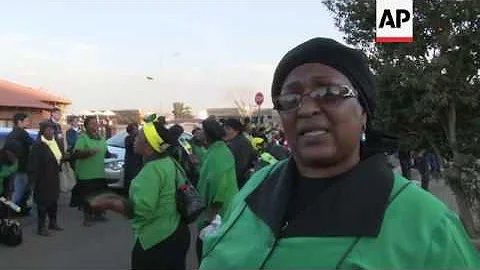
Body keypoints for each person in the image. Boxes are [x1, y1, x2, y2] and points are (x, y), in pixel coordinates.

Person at [200, 38, 480, 269]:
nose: (306, 109)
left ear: (364, 113)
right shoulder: (256, 187)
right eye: (290, 98)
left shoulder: (429, 227)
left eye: (331, 92)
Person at [90, 121, 191, 270]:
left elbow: (141, 209)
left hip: (158, 240)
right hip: (178, 232)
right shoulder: (170, 162)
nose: (134, 140)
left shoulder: (152, 170)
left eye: (138, 137)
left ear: (149, 146)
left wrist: (110, 203)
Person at [196, 117, 238, 261]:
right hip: (215, 215)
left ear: (208, 135)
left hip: (217, 218)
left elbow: (220, 190)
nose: (199, 133)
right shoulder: (216, 150)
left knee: (208, 257)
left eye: (202, 130)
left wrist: (210, 218)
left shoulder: (218, 155)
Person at [72, 116, 116, 226]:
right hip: (86, 174)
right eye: (92, 123)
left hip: (99, 173)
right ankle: (87, 218)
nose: (95, 125)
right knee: (87, 197)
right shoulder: (83, 138)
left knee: (99, 195)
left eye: (96, 123)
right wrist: (88, 153)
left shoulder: (101, 138)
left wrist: (111, 155)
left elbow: (105, 152)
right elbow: (76, 154)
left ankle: (98, 214)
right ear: (86, 126)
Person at [28, 121, 64, 236]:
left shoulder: (55, 142)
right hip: (42, 178)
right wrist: (32, 181)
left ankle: (53, 223)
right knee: (43, 203)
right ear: (42, 131)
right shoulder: (38, 145)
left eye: (52, 129)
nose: (51, 131)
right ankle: (41, 227)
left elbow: (60, 157)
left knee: (54, 201)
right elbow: (33, 164)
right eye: (48, 130)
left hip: (54, 177)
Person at [6, 113, 34, 215]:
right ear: (19, 122)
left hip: (13, 167)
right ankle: (8, 213)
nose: (28, 122)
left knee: (21, 191)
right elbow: (34, 145)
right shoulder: (22, 133)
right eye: (26, 121)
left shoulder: (10, 135)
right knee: (19, 192)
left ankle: (19, 211)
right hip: (22, 167)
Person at [223, 118, 257, 189]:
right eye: (224, 128)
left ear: (237, 131)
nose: (225, 131)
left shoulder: (240, 143)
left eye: (228, 129)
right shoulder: (234, 141)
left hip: (240, 183)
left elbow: (240, 166)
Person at [0, 140, 21, 219]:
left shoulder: (12, 162)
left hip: (2, 193)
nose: (15, 156)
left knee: (5, 213)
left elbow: (8, 179)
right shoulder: (2, 160)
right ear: (8, 151)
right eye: (14, 154)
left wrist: (8, 193)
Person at [124, 123, 143, 192]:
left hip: (138, 164)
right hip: (132, 165)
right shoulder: (128, 139)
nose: (137, 130)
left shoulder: (135, 138)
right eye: (136, 129)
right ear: (131, 130)